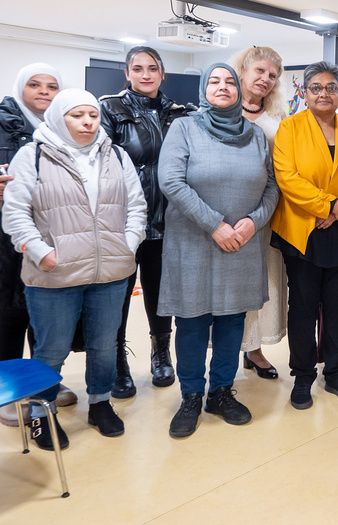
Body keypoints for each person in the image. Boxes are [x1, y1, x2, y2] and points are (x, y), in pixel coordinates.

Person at [2, 89, 147, 448]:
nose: (87, 122)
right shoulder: (32, 155)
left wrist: (128, 245)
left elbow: (137, 205)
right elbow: (16, 213)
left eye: (92, 115)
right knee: (52, 349)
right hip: (53, 274)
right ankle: (42, 413)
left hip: (110, 271)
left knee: (103, 345)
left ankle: (100, 403)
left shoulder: (116, 155)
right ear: (58, 118)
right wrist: (40, 252)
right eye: (76, 115)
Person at [157, 64, 279, 438]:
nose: (223, 87)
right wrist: (215, 224)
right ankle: (192, 395)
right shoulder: (184, 128)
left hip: (242, 244)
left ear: (239, 89)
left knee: (230, 321)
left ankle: (221, 392)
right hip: (194, 242)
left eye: (229, 81)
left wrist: (251, 222)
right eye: (214, 81)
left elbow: (272, 188)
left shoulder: (256, 136)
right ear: (203, 88)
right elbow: (171, 181)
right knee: (192, 322)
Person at [270, 61, 338, 410]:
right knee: (302, 308)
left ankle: (336, 372)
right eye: (316, 87)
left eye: (330, 87)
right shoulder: (289, 128)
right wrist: (330, 207)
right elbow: (288, 178)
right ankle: (302, 375)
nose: (324, 93)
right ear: (306, 92)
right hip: (303, 231)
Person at [99, 47, 191, 397]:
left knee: (159, 293)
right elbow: (102, 163)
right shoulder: (110, 108)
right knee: (117, 297)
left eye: (152, 68)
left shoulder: (179, 113)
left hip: (169, 220)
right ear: (127, 73)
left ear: (163, 73)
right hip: (124, 222)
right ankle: (117, 362)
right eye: (138, 68)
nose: (146, 74)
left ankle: (160, 352)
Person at [0, 63, 76, 427]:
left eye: (52, 86)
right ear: (20, 87)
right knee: (9, 314)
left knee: (44, 314)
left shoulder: (62, 129)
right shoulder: (2, 121)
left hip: (52, 233)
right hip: (8, 239)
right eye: (35, 84)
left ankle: (43, 383)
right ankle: (9, 389)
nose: (44, 92)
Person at [228, 45, 288, 380]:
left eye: (272, 75)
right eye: (260, 71)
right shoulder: (221, 112)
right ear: (243, 72)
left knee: (261, 285)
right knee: (228, 287)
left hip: (264, 218)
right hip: (223, 219)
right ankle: (224, 350)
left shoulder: (276, 123)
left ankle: (254, 350)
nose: (265, 79)